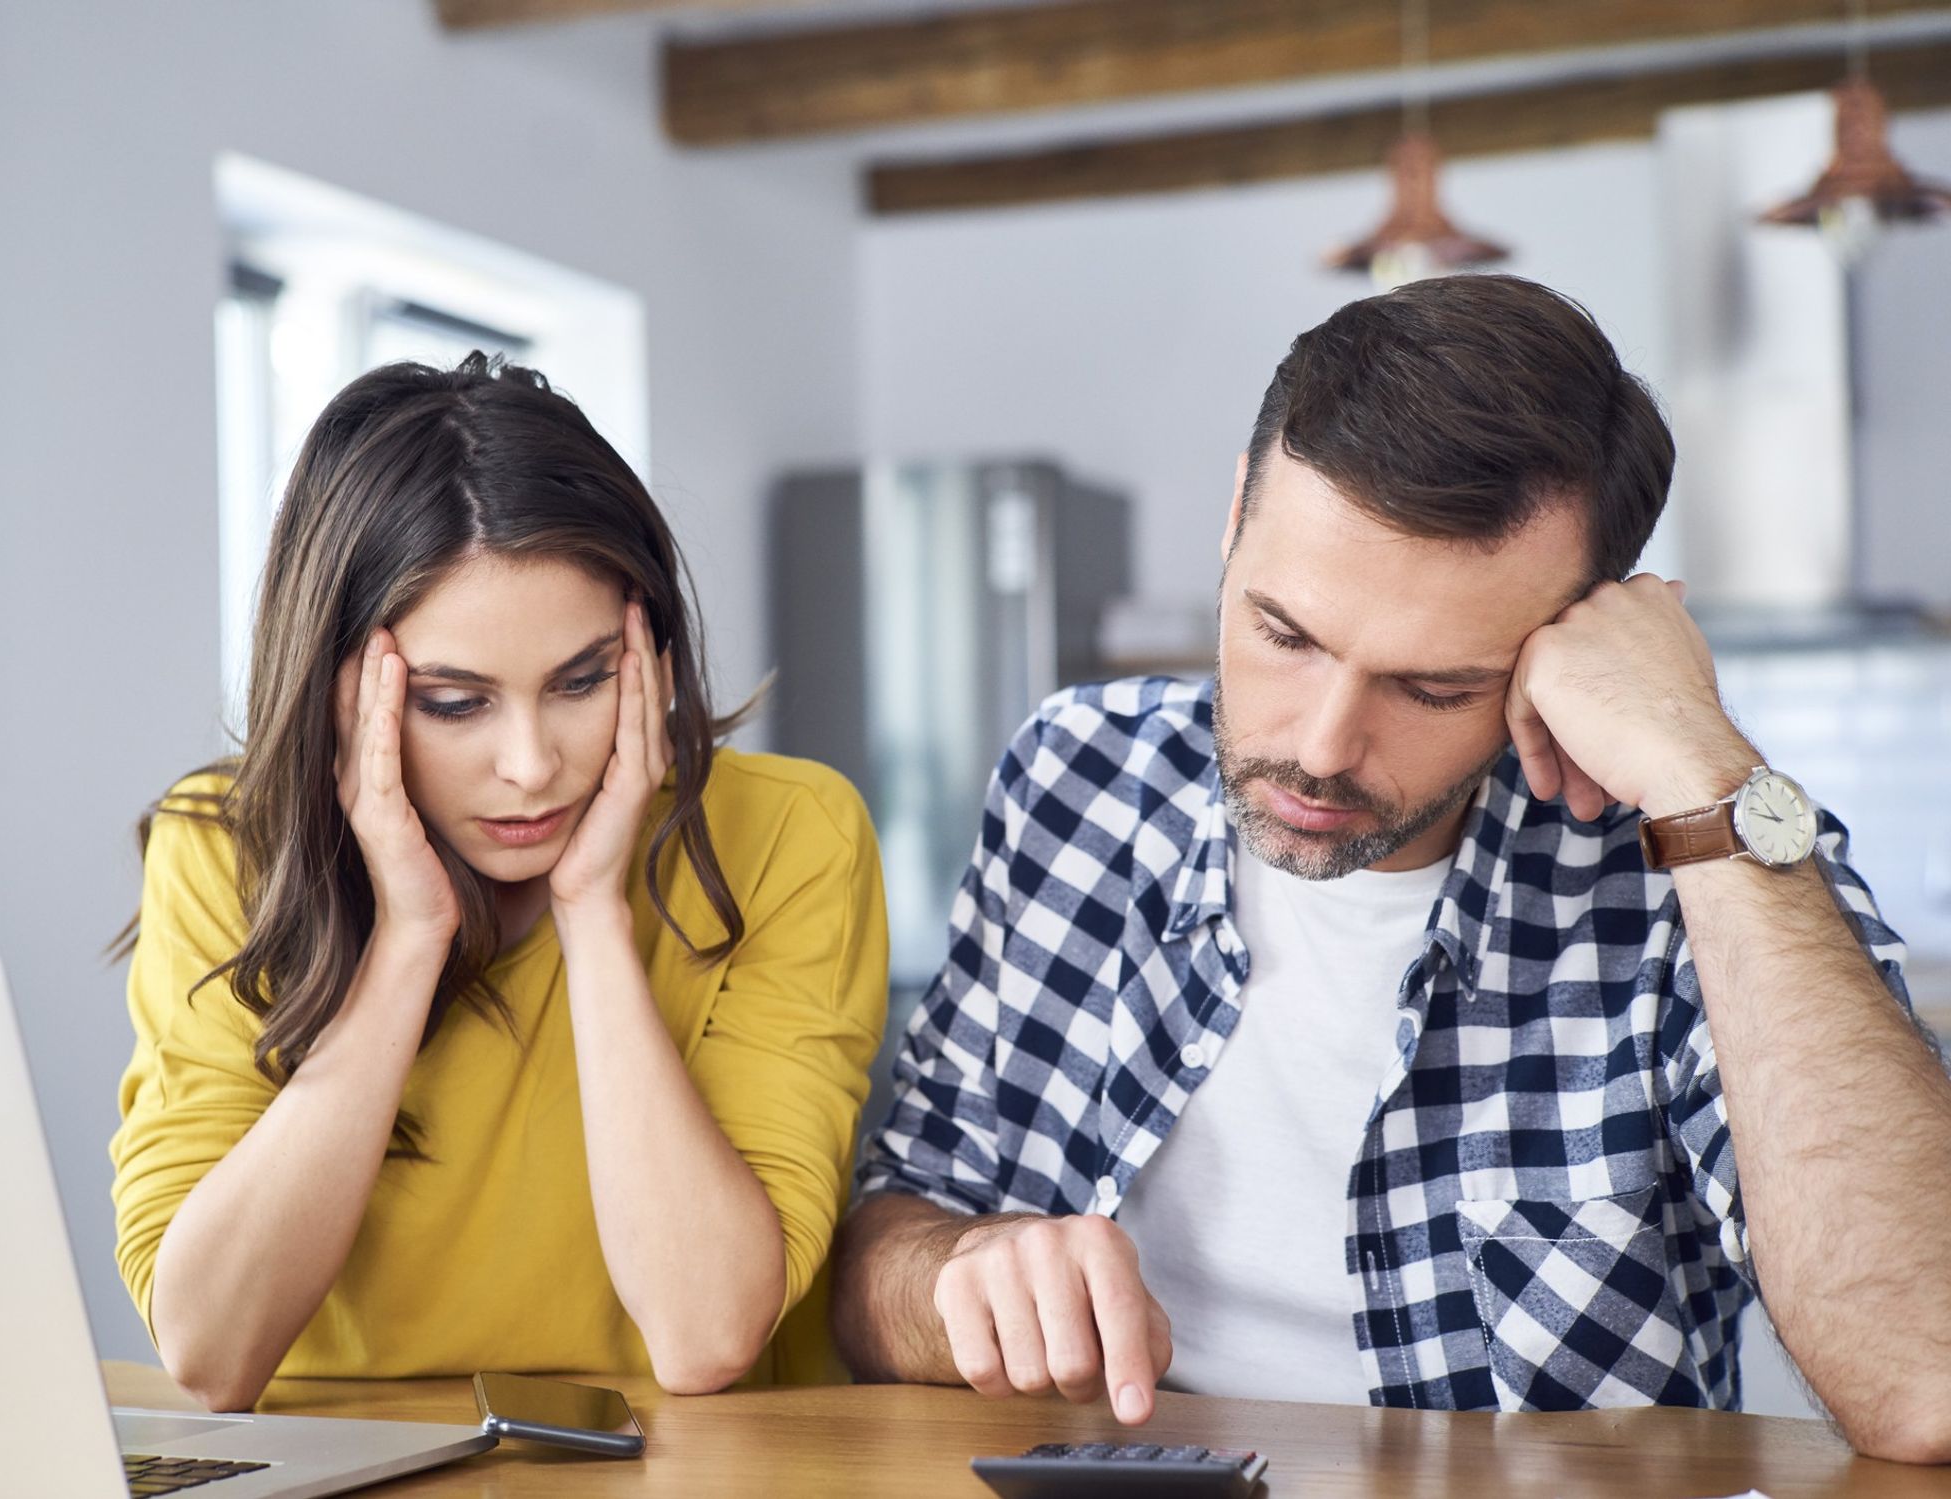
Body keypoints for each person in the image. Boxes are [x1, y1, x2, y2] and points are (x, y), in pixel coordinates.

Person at [831, 275, 1951, 1463]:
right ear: (1233, 522)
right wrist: (955, 1268)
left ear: (1569, 642)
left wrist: (1697, 762)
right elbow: (882, 1246)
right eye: (1283, 633)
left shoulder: (1694, 859)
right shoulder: (1078, 774)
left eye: (1433, 687)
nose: (1319, 746)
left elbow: (1925, 1377)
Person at [111, 354, 887, 1412]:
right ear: (343, 692)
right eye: (452, 701)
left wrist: (593, 916)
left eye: (579, 681)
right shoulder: (224, 846)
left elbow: (705, 1332)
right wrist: (405, 941)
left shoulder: (789, 833)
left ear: (647, 648)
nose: (530, 764)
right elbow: (209, 1347)